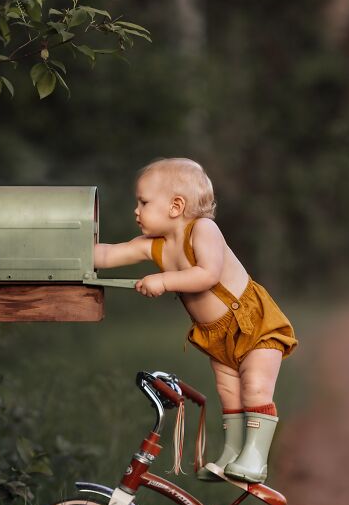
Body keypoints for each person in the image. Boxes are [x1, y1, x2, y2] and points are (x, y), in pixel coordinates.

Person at [94, 158, 297, 484]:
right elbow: (106, 255)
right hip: (216, 334)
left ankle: (256, 459)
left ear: (176, 206)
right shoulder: (154, 247)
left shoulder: (202, 230)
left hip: (252, 323)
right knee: (228, 393)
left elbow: (207, 274)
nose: (136, 210)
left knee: (255, 388)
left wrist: (163, 282)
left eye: (143, 202)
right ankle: (232, 453)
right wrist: (69, 250)